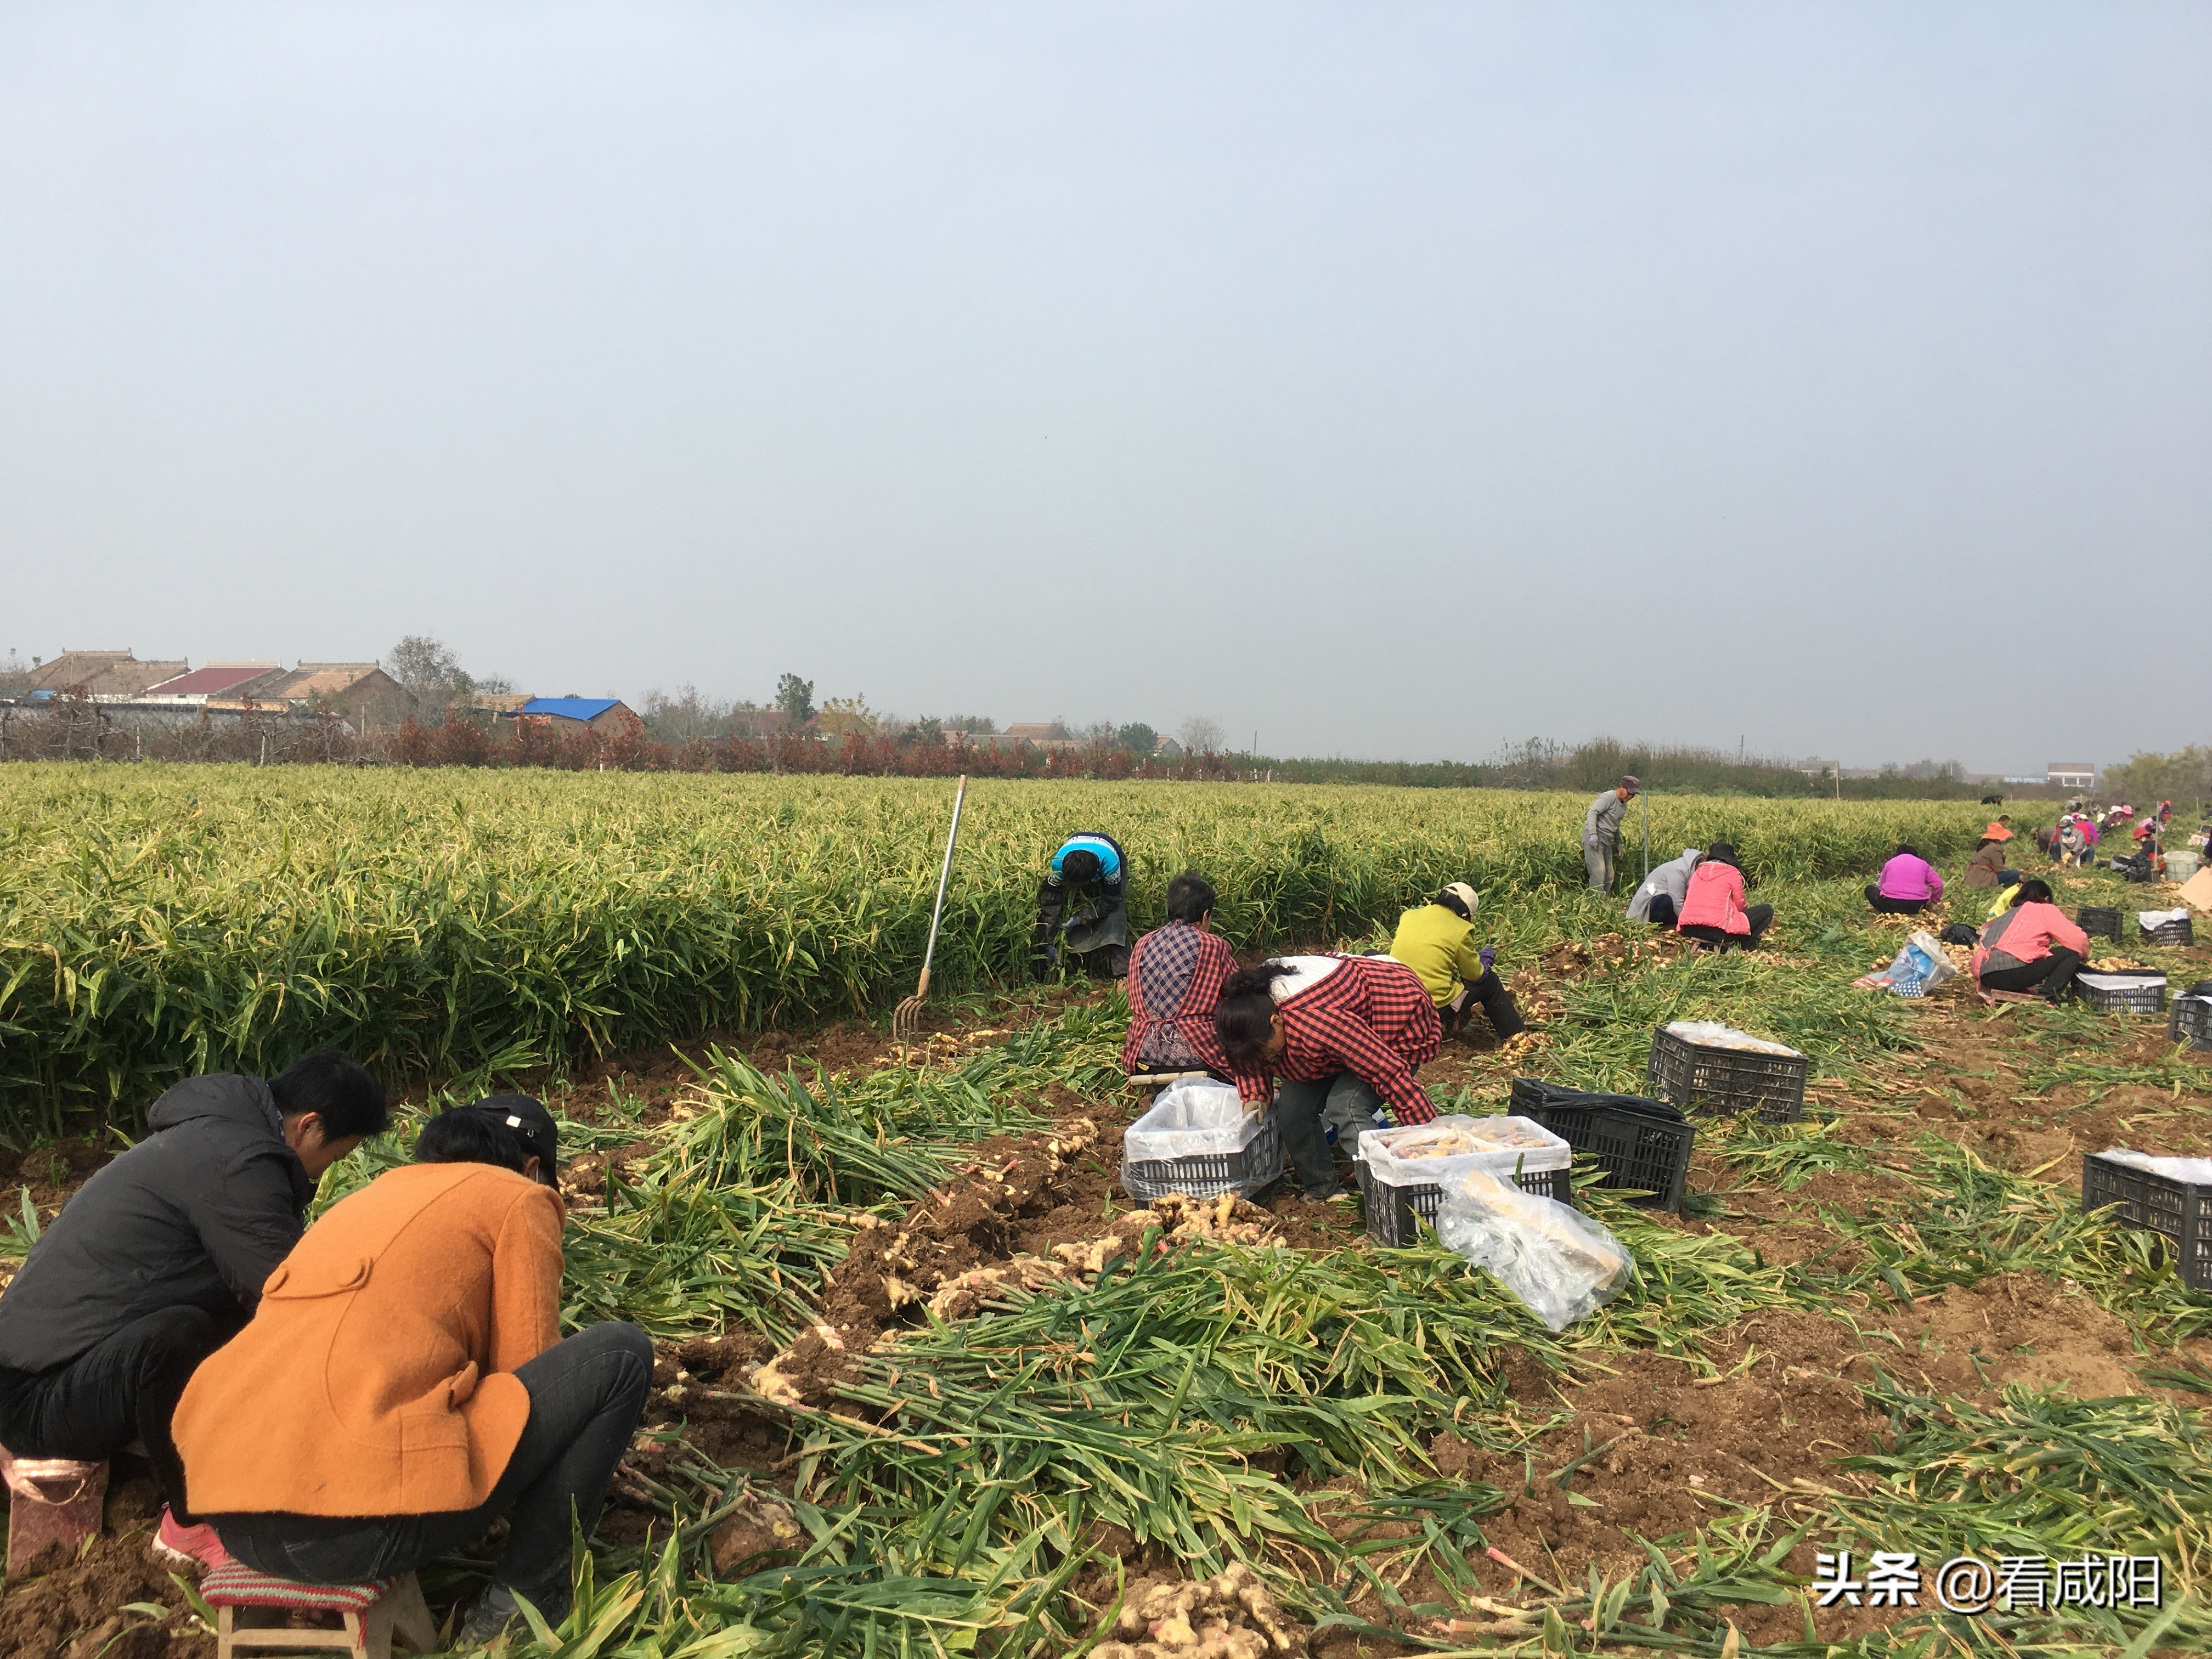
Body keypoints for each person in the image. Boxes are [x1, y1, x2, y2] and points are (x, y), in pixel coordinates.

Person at [175, 1096, 652, 1647]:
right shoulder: (521, 1198)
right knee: (620, 1355)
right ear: (530, 1169)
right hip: (350, 1537)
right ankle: (522, 1606)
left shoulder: (359, 1203)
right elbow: (528, 1371)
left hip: (232, 1522)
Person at [0, 1051, 387, 1570]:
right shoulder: (236, 1162)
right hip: (34, 1400)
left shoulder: (209, 1138)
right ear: (308, 1127)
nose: (327, 1172)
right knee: (180, 1336)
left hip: (58, 1364)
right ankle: (192, 1521)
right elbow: (287, 1293)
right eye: (337, 1158)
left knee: (219, 1327)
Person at [1212, 955, 1441, 1204]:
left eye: (1266, 1054)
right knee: (1292, 1111)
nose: (1264, 1062)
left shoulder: (1317, 1021)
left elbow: (1388, 1073)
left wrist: (1429, 1139)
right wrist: (1255, 1095)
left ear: (1276, 1022)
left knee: (1347, 1109)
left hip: (1394, 1020)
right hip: (1334, 1039)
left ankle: (1388, 1199)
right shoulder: (1242, 1015)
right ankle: (1322, 1188)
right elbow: (1247, 1058)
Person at [1122, 872, 1236, 1077]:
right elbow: (1237, 991)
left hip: (1143, 1052)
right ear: (1205, 915)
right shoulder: (1212, 945)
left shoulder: (1142, 944)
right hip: (1198, 1054)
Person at [1388, 882, 1525, 1042]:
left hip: (1395, 1002)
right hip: (1431, 1010)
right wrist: (1483, 961)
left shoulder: (1409, 916)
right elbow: (1474, 976)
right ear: (1465, 915)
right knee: (1490, 983)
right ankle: (1516, 1035)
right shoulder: (1461, 929)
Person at [1972, 879, 2089, 1003]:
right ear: (2047, 899)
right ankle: (2048, 998)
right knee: (2070, 954)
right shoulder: (2044, 908)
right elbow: (2077, 940)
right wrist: (2085, 956)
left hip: (1987, 977)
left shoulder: (2008, 914)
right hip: (2010, 973)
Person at [1032, 832, 1130, 978]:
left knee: (1116, 916)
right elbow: (1049, 902)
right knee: (1057, 907)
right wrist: (1049, 941)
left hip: (1110, 852)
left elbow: (1112, 900)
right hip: (1077, 852)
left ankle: (1123, 974)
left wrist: (1081, 918)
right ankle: (1048, 966)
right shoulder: (1058, 865)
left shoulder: (1111, 866)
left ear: (1096, 874)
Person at [1675, 842, 1773, 950]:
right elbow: (1740, 904)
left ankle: (1705, 946)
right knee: (1767, 910)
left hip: (1689, 929)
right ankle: (1743, 946)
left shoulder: (1697, 873)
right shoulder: (1732, 873)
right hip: (1717, 932)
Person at [1582, 776, 1640, 893]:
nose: (1630, 797)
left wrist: (1619, 844)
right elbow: (1593, 813)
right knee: (1599, 873)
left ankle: (1603, 902)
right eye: (1629, 792)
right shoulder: (1608, 797)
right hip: (1595, 838)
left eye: (1633, 795)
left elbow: (1615, 826)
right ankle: (1594, 903)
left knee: (1609, 875)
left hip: (1607, 841)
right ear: (1621, 787)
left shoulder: (1623, 807)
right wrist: (1593, 834)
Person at [1626, 847, 1701, 927]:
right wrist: (1687, 924)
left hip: (1663, 901)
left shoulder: (1687, 870)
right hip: (1647, 906)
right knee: (1665, 901)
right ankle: (1657, 925)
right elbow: (1677, 902)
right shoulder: (1679, 870)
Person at [1866, 844, 1944, 915]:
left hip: (1891, 904)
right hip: (1917, 906)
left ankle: (1886, 913)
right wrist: (1934, 901)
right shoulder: (1923, 864)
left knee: (1869, 890)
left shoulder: (1890, 863)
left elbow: (1882, 888)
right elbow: (1938, 885)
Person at [1962, 823, 2020, 890]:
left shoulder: (1983, 846)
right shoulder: (1995, 848)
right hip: (1982, 880)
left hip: (1971, 879)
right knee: (2015, 874)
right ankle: (2003, 891)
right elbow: (2000, 869)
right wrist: (2018, 872)